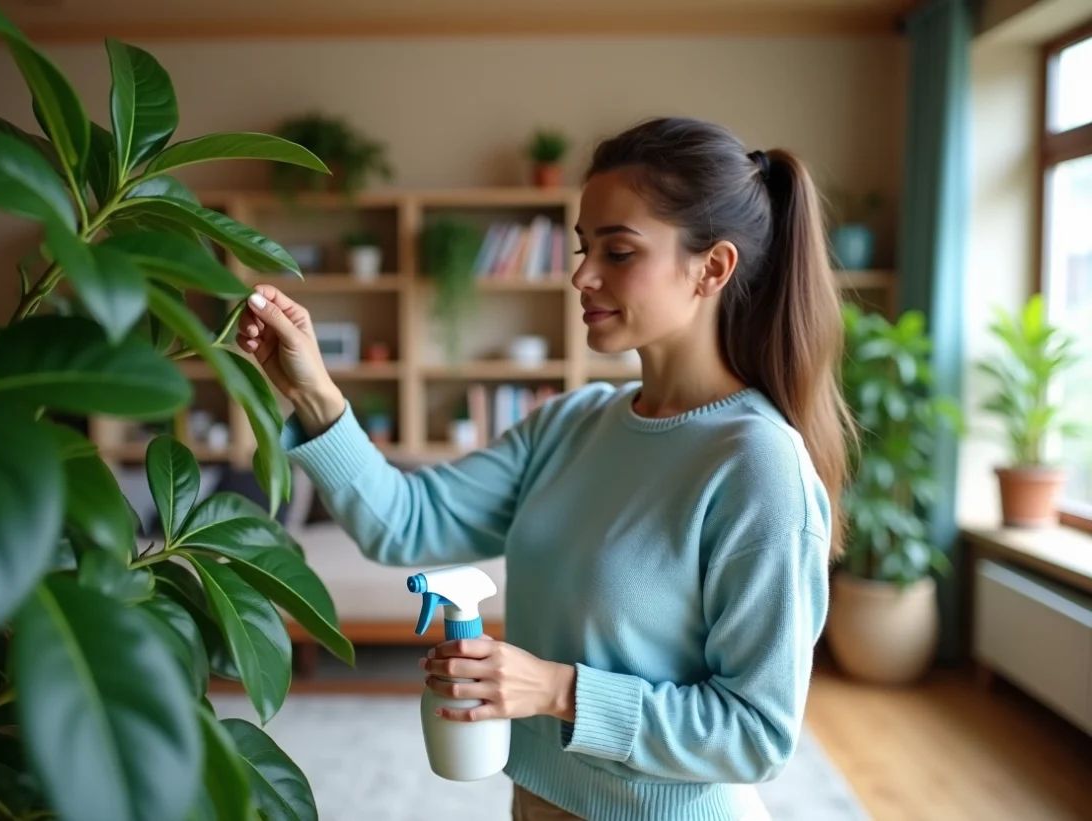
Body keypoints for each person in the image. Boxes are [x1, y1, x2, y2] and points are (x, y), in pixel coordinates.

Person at [237, 116, 852, 821]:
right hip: (535, 801)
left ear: (712, 267)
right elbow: (402, 525)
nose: (581, 275)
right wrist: (311, 388)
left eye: (618, 251)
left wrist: (556, 689)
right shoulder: (573, 423)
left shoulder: (758, 465)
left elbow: (758, 734)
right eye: (585, 247)